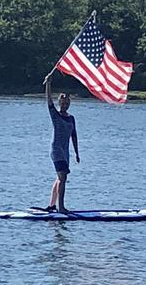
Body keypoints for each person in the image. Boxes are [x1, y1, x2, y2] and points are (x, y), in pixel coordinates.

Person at [44, 75, 79, 214]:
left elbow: (74, 136)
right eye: (63, 103)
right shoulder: (55, 115)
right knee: (62, 177)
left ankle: (52, 205)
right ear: (59, 103)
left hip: (65, 152)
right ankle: (61, 207)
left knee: (60, 178)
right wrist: (48, 84)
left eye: (67, 104)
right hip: (56, 150)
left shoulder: (71, 118)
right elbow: (48, 102)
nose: (65, 105)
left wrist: (77, 153)